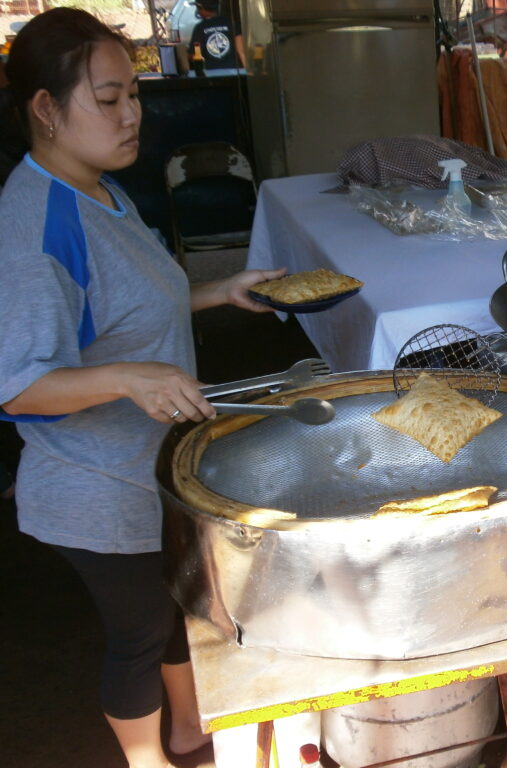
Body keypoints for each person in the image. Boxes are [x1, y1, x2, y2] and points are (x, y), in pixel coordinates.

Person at [0, 9, 284, 768]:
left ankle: (192, 732)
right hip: (91, 483)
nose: (134, 116)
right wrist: (131, 378)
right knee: (137, 637)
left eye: (134, 95)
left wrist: (221, 291)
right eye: (109, 98)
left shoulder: (97, 186)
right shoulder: (36, 229)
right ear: (46, 109)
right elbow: (19, 387)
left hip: (146, 465)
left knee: (171, 616)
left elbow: (131, 298)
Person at [189, 0, 244, 72]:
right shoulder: (231, 23)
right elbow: (241, 51)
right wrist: (246, 71)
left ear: (201, 7)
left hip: (210, 73)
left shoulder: (200, 27)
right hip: (233, 72)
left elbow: (195, 54)